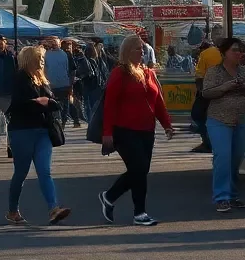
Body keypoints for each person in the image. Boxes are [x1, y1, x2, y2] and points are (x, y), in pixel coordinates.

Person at [99, 33, 174, 227]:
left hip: (147, 129)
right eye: (137, 49)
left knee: (141, 170)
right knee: (139, 169)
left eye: (143, 49)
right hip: (125, 130)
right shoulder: (120, 73)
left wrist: (166, 124)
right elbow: (110, 105)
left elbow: (157, 101)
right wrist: (107, 132)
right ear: (127, 51)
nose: (142, 52)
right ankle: (139, 213)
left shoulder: (149, 72)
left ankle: (109, 196)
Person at [5, 45, 70, 226]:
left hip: (42, 131)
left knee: (44, 171)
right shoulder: (20, 78)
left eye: (42, 59)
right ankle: (12, 210)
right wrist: (40, 103)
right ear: (29, 60)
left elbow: (55, 104)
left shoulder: (42, 80)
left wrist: (46, 101)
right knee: (21, 173)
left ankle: (53, 209)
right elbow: (18, 104)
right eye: (39, 59)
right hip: (22, 131)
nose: (42, 62)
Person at [202, 36, 245, 213]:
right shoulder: (214, 72)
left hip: (240, 119)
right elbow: (206, 93)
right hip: (219, 119)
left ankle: (233, 195)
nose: (238, 53)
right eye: (234, 50)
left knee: (236, 158)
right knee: (223, 157)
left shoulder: (243, 72)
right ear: (224, 53)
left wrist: (243, 87)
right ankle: (221, 197)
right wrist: (226, 86)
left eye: (240, 50)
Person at [191, 29, 223, 153]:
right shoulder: (233, 52)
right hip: (226, 92)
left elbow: (199, 77)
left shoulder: (207, 54)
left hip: (210, 92)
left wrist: (201, 92)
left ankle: (207, 142)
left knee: (198, 115)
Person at [42, 37, 75, 120]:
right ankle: (63, 122)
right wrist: (70, 84)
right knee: (64, 106)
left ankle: (57, 121)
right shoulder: (65, 54)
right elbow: (70, 70)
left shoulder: (46, 55)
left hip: (51, 85)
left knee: (53, 106)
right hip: (64, 84)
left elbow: (44, 69)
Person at [64, 40, 91, 126]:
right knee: (70, 101)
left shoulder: (80, 56)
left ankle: (81, 119)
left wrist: (78, 77)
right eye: (67, 45)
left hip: (77, 83)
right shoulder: (68, 55)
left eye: (70, 45)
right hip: (69, 81)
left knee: (76, 102)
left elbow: (86, 70)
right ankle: (78, 119)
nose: (68, 47)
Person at [84, 40, 110, 122]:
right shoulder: (97, 60)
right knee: (94, 105)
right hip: (96, 86)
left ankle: (91, 121)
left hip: (91, 86)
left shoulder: (88, 60)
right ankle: (94, 120)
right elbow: (103, 73)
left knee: (90, 105)